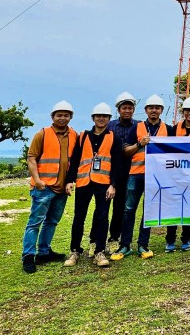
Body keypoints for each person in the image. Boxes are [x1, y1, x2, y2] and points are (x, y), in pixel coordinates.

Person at [111, 95, 173, 261]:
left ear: (161, 110)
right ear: (146, 110)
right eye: (151, 108)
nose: (154, 110)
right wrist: (139, 144)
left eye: (157, 108)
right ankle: (125, 245)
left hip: (156, 177)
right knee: (129, 209)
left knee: (149, 211)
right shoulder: (136, 128)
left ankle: (143, 244)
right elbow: (125, 151)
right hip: (136, 174)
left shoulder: (168, 129)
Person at [63, 103, 122, 268]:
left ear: (109, 119)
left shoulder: (113, 137)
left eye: (104, 116)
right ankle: (75, 250)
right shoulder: (83, 136)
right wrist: (70, 180)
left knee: (102, 217)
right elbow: (74, 160)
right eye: (98, 116)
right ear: (93, 118)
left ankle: (99, 252)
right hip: (83, 183)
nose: (101, 119)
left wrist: (113, 185)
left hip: (104, 184)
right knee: (79, 217)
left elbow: (117, 163)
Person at [21, 101, 77, 274]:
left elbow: (73, 161)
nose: (62, 118)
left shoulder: (74, 135)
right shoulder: (42, 134)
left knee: (52, 221)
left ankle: (44, 252)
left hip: (61, 188)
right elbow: (31, 159)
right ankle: (28, 256)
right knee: (34, 223)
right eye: (59, 115)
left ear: (70, 117)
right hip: (43, 187)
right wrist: (37, 180)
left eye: (66, 115)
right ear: (52, 117)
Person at [164, 96, 190, 253]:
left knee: (189, 206)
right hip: (176, 174)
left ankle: (186, 238)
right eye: (187, 110)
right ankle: (170, 239)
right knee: (174, 206)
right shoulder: (174, 129)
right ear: (183, 112)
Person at [104, 91, 138, 254]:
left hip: (130, 172)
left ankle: (114, 238)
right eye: (124, 108)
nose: (127, 111)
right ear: (118, 110)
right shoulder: (110, 126)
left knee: (121, 208)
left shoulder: (139, 126)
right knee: (103, 207)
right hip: (110, 171)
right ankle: (97, 240)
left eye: (130, 108)